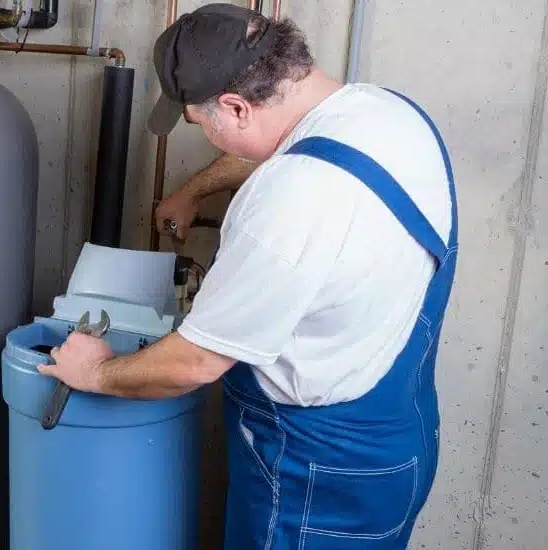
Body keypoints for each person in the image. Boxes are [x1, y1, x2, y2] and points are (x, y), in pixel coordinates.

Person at [36, 3, 458, 549]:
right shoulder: (385, 114)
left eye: (199, 121)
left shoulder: (289, 202)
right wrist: (193, 190)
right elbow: (291, 142)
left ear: (236, 106)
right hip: (400, 436)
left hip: (314, 475)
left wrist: (96, 372)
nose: (205, 135)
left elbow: (194, 362)